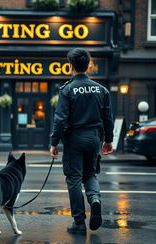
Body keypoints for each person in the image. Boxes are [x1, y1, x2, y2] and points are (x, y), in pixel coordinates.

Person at [50, 48, 114, 233]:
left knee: (74, 179)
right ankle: (94, 199)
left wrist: (54, 143)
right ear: (89, 66)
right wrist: (108, 140)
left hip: (75, 139)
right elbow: (108, 118)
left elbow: (60, 119)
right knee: (90, 174)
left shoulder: (67, 89)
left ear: (70, 66)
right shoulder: (101, 90)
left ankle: (79, 222)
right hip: (94, 138)